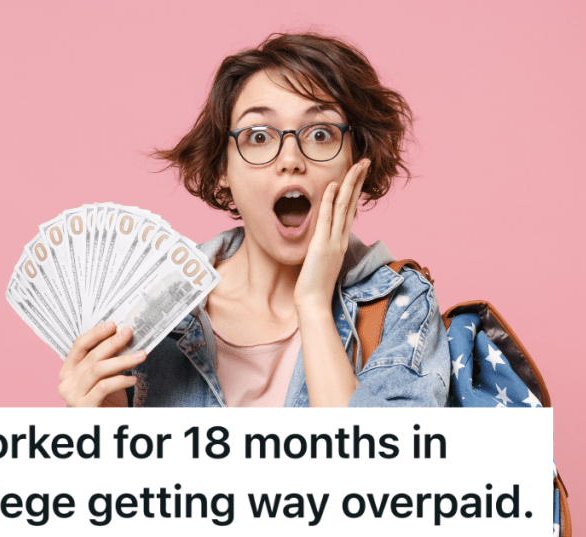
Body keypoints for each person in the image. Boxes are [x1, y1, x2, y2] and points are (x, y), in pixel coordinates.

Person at [57, 33, 450, 407]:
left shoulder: (401, 304)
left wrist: (313, 304)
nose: (291, 160)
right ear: (222, 167)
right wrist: (101, 435)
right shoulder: (146, 311)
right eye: (259, 136)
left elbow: (381, 468)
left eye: (320, 133)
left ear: (357, 161)